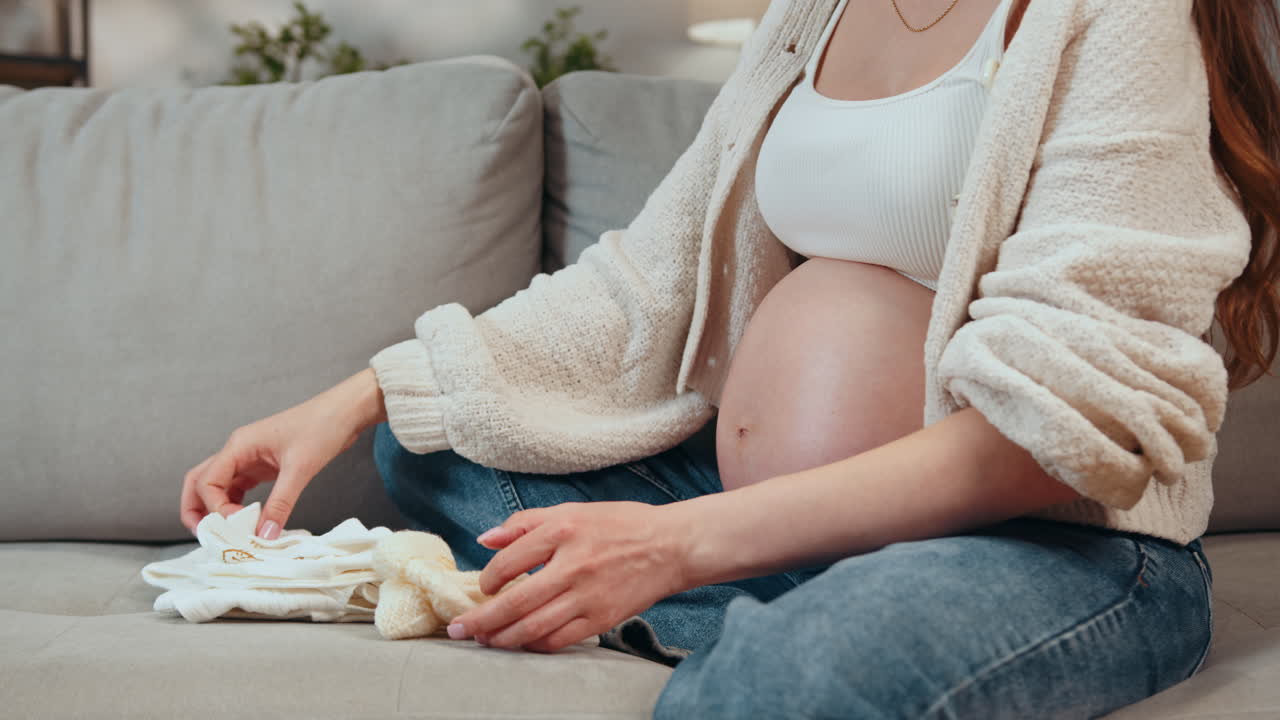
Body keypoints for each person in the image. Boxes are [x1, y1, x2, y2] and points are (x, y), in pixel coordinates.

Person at [179, 0, 1280, 716]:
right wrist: (354, 396)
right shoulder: (816, 9)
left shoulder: (1117, 16)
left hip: (1039, 543)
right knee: (434, 445)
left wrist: (673, 544)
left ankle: (744, 614)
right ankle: (741, 586)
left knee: (782, 679)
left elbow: (1063, 436)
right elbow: (642, 282)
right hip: (782, 523)